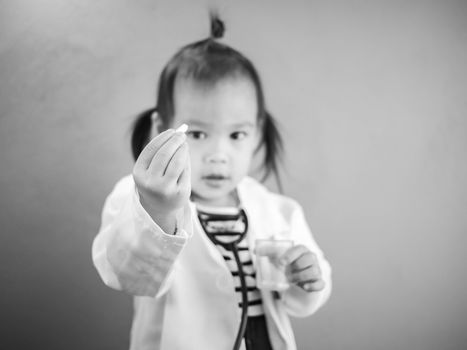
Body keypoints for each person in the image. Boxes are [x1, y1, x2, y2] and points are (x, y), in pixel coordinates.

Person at [92, 12, 332, 350]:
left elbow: (306, 295)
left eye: (236, 134)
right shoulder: (136, 199)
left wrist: (305, 277)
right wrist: (159, 211)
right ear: (163, 129)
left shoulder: (276, 209)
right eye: (199, 134)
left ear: (257, 132)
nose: (219, 154)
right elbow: (128, 274)